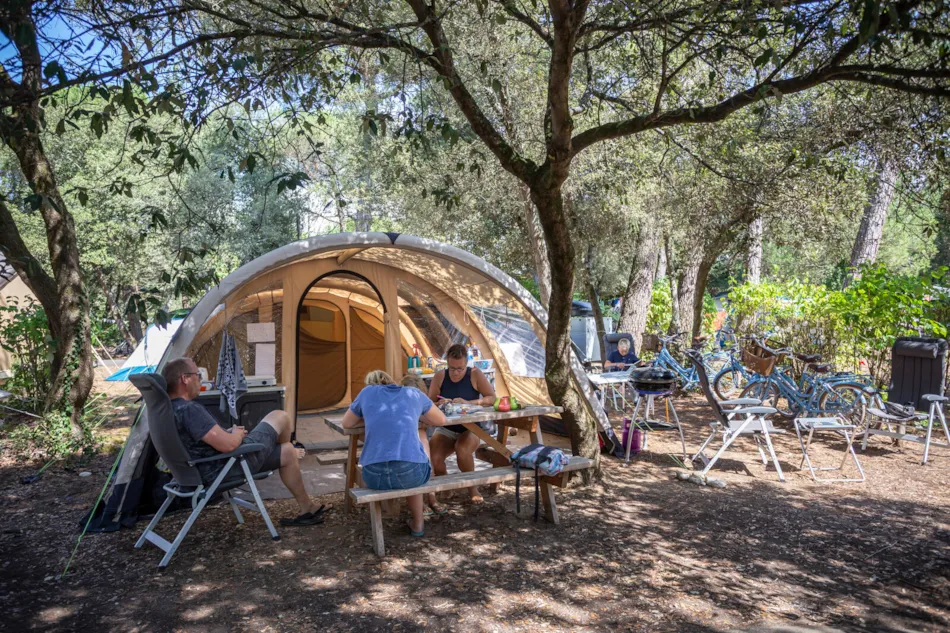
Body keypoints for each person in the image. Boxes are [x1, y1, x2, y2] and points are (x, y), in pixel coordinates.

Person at [162, 357, 325, 526]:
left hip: (199, 471)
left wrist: (226, 433)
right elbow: (229, 445)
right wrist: (237, 434)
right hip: (226, 466)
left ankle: (307, 507)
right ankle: (277, 448)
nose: (200, 380)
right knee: (280, 416)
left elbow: (201, 441)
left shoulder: (167, 409)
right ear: (185, 379)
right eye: (198, 375)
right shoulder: (189, 410)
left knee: (288, 451)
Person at [342, 370, 447, 536]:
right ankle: (418, 523)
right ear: (393, 381)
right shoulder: (414, 394)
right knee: (416, 458)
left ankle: (396, 517)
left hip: (374, 476)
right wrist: (416, 415)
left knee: (411, 460)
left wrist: (370, 417)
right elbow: (441, 419)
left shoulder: (367, 392)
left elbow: (347, 423)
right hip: (411, 474)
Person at [427, 343, 496, 506]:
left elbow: (492, 398)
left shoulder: (475, 374)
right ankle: (446, 486)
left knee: (462, 450)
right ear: (447, 364)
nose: (456, 373)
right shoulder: (440, 376)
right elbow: (428, 403)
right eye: (452, 368)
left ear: (466, 364)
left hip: (471, 428)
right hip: (447, 427)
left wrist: (470, 402)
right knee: (434, 457)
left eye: (460, 368)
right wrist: (439, 403)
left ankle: (472, 488)